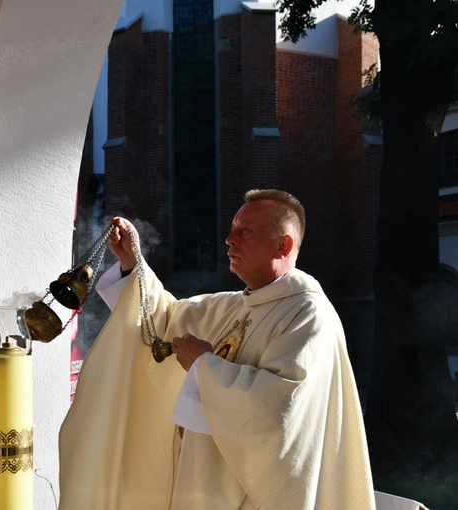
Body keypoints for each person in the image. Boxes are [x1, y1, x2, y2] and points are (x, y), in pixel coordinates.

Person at [59, 189, 375, 509]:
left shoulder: (308, 316)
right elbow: (165, 319)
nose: (229, 239)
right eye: (232, 228)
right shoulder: (236, 306)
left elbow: (281, 414)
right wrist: (130, 263)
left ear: (284, 244)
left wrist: (204, 366)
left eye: (245, 231)